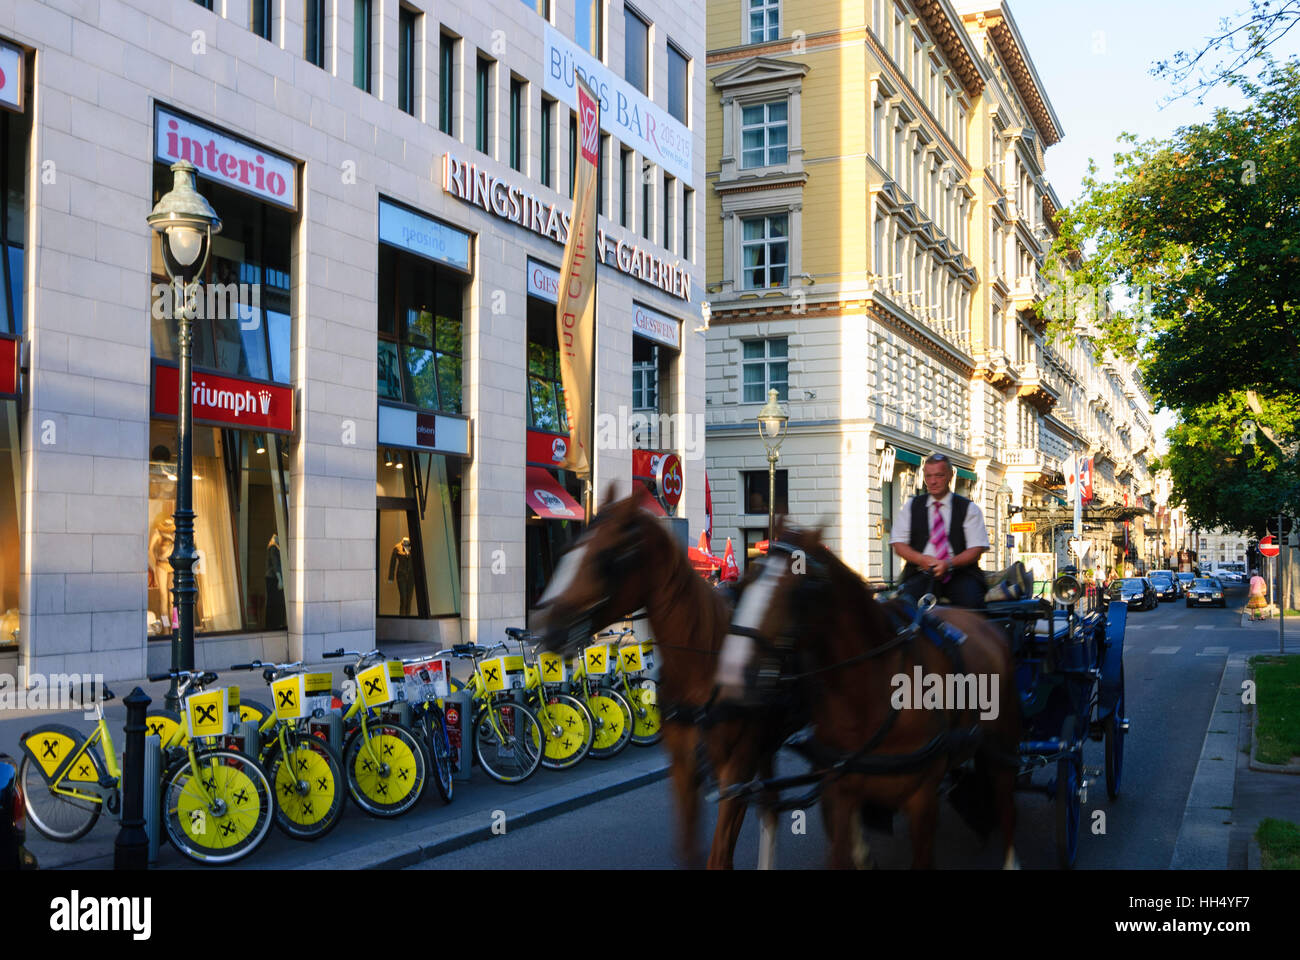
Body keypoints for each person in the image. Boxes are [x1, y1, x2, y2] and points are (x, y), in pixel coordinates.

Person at [890, 453, 990, 608]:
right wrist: (921, 560)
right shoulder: (912, 506)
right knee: (902, 610)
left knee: (973, 609)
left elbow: (976, 548)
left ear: (950, 476)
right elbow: (898, 543)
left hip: (961, 575)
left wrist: (949, 564)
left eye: (939, 475)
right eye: (928, 476)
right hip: (920, 573)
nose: (933, 481)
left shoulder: (969, 508)